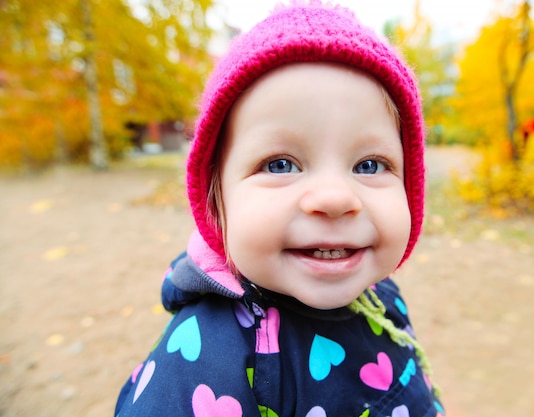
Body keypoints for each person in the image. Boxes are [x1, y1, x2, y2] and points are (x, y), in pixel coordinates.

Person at [114, 2, 445, 416]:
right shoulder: (205, 363)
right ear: (217, 200)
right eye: (280, 165)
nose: (335, 198)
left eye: (369, 165)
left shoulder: (382, 296)